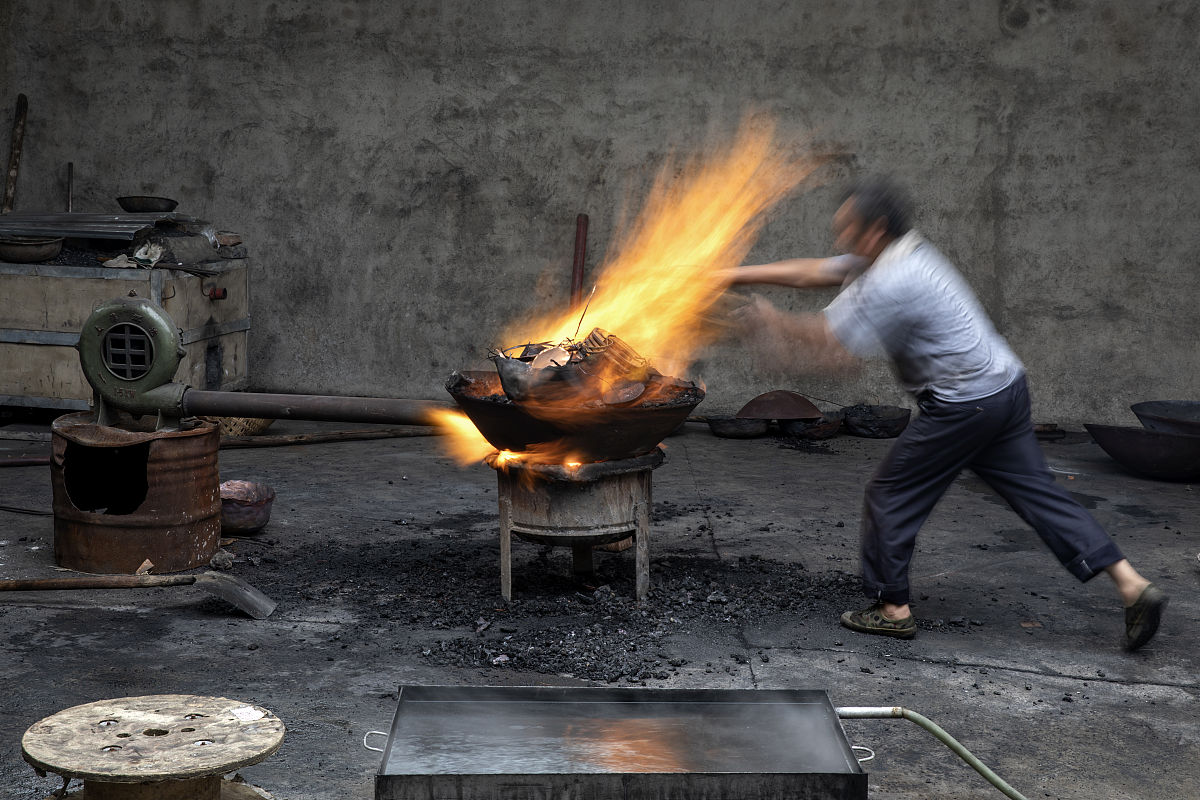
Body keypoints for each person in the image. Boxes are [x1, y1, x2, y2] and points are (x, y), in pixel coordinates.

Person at [725, 176, 1167, 650]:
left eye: (847, 230)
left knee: (890, 492)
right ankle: (1132, 585)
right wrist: (732, 275)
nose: (841, 241)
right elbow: (814, 271)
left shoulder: (894, 280)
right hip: (1004, 387)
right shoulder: (902, 252)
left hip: (965, 405)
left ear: (873, 231)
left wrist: (772, 322)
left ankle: (892, 609)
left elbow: (833, 347)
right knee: (1038, 493)